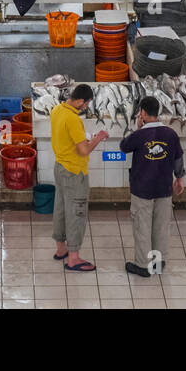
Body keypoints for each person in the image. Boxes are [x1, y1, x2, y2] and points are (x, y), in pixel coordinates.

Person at [120, 96, 185, 277]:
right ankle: (158, 261)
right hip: (164, 189)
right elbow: (178, 158)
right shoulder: (171, 134)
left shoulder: (139, 136)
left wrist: (136, 128)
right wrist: (179, 178)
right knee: (161, 225)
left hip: (142, 189)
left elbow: (123, 146)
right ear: (158, 112)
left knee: (142, 226)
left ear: (142, 113)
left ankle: (142, 265)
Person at [50, 84, 108, 271]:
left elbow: (70, 138)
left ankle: (61, 249)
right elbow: (83, 150)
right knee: (77, 212)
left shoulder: (57, 110)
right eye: (87, 104)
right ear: (81, 101)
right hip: (75, 173)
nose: (86, 107)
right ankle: (73, 258)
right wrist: (98, 138)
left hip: (59, 168)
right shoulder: (73, 119)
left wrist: (86, 137)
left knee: (60, 208)